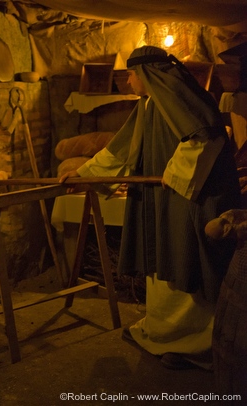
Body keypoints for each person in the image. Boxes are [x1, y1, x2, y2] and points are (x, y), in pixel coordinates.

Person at [60, 46, 241, 370]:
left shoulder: (186, 99)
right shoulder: (149, 105)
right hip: (164, 199)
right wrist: (85, 175)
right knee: (165, 261)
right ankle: (163, 333)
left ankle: (197, 344)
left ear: (148, 74)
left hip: (191, 201)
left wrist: (173, 174)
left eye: (131, 74)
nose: (128, 82)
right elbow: (120, 150)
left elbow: (207, 138)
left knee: (190, 262)